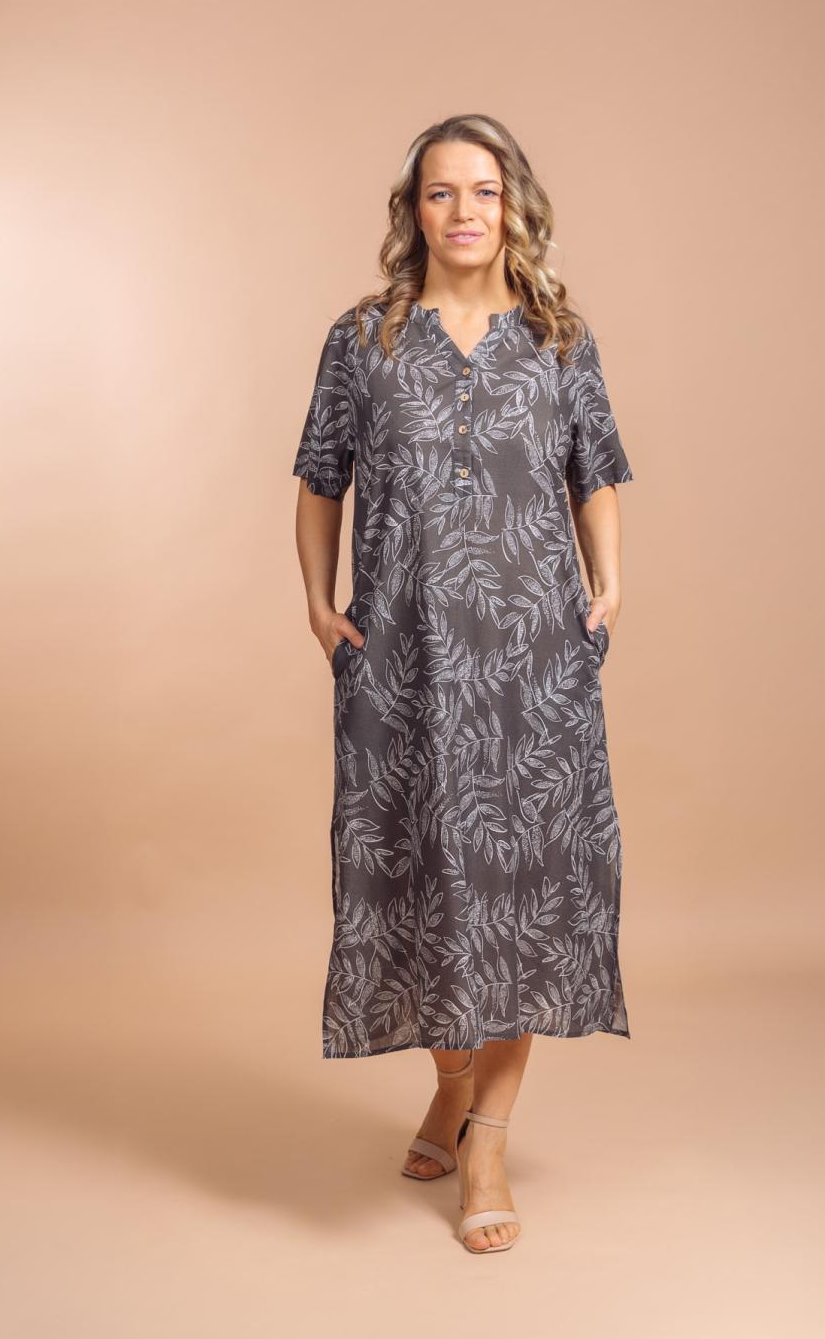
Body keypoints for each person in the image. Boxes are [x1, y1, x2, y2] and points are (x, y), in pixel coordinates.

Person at [292, 113, 635, 1254]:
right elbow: (320, 478)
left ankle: (486, 1134)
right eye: (440, 193)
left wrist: (609, 583)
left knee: (521, 888)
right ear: (415, 212)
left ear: (512, 205)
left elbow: (594, 472)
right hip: (404, 660)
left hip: (532, 667)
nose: (463, 212)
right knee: (425, 881)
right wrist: (319, 605)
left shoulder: (558, 338)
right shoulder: (363, 340)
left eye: (482, 191)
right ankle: (448, 1086)